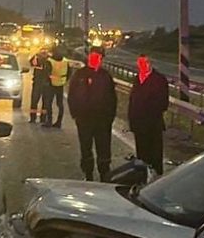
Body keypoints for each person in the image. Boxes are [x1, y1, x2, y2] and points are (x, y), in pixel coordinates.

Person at [67, 49, 117, 181]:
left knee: (104, 147)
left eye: (98, 57)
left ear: (101, 59)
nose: (96, 59)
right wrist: (75, 114)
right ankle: (88, 173)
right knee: (86, 147)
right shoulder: (79, 75)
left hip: (102, 120)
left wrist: (110, 118)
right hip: (84, 119)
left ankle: (104, 174)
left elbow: (112, 98)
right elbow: (72, 95)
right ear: (89, 57)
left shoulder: (106, 76)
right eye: (93, 56)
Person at [128, 54, 169, 175]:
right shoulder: (137, 78)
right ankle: (142, 177)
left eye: (144, 63)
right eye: (139, 63)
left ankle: (156, 178)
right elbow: (132, 100)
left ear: (149, 63)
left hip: (152, 124)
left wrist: (147, 112)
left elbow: (163, 103)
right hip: (138, 125)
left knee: (155, 154)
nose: (142, 66)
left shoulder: (159, 79)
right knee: (141, 155)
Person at [45, 47, 70, 128]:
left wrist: (46, 82)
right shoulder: (65, 61)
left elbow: (46, 73)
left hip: (51, 84)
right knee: (60, 104)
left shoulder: (49, 61)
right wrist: (64, 80)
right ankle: (59, 122)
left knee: (48, 103)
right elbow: (69, 72)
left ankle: (49, 121)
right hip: (61, 84)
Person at [27, 48, 51, 124]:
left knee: (40, 102)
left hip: (41, 83)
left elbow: (31, 62)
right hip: (43, 83)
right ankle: (38, 118)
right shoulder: (42, 59)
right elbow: (31, 62)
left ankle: (37, 118)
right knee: (39, 102)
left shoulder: (48, 60)